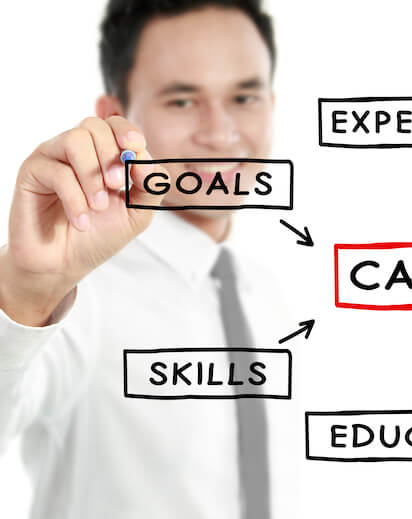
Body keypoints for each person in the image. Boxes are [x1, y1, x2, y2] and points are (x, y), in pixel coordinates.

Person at [0, 1, 298, 517]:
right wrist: (25, 293)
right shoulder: (76, 296)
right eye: (183, 101)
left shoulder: (266, 289)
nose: (221, 132)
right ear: (115, 119)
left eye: (245, 96)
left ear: (271, 103)